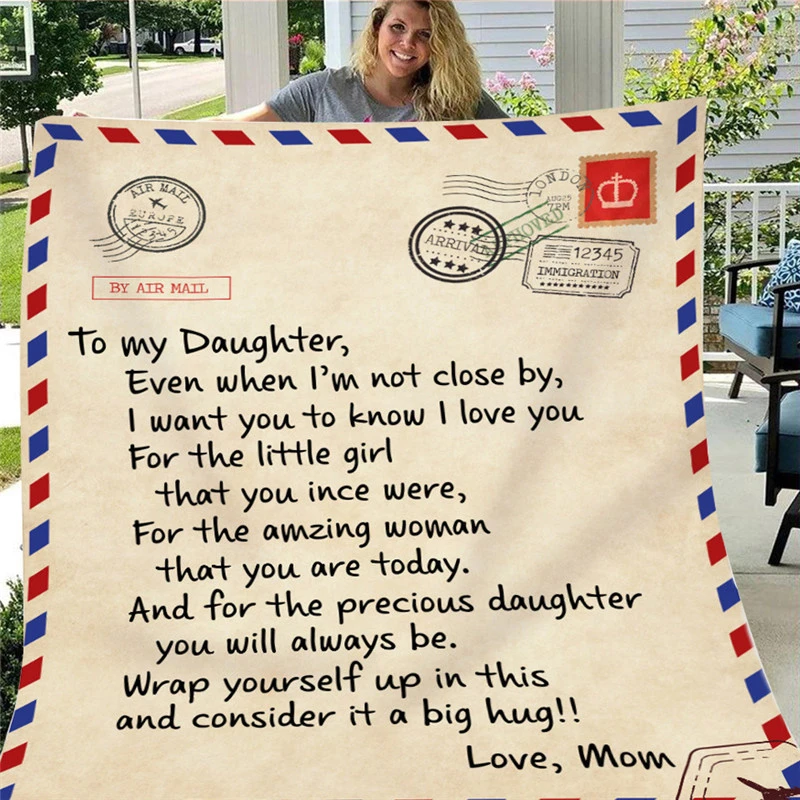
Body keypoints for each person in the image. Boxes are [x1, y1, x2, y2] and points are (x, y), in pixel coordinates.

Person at [226, 0, 507, 123]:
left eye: (425, 34)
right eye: (397, 27)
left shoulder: (457, 97)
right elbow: (234, 127)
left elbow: (518, 144)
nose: (408, 43)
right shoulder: (321, 91)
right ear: (376, 27)